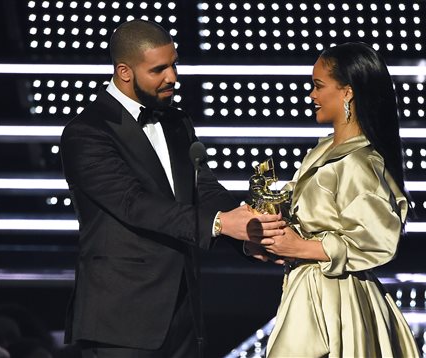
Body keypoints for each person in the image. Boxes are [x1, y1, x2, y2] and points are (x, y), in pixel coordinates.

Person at [60, 19, 284, 358]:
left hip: (184, 314)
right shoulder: (86, 132)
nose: (173, 77)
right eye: (159, 69)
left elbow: (203, 186)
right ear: (124, 72)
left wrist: (246, 232)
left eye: (174, 63)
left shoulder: (177, 121)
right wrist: (222, 224)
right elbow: (134, 204)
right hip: (121, 320)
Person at [258, 42, 420, 357]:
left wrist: (300, 247)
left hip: (338, 298)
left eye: (318, 86)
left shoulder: (359, 162)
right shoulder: (323, 151)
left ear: (347, 92)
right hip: (311, 289)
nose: (311, 96)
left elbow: (377, 241)